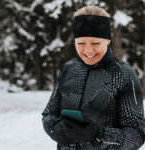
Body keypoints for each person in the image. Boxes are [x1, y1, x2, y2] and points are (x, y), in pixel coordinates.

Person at [42, 5, 145, 150]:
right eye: (81, 43)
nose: (88, 50)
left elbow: (137, 135)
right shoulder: (68, 69)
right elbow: (48, 114)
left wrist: (99, 135)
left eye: (96, 43)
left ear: (108, 40)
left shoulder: (124, 74)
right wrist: (54, 129)